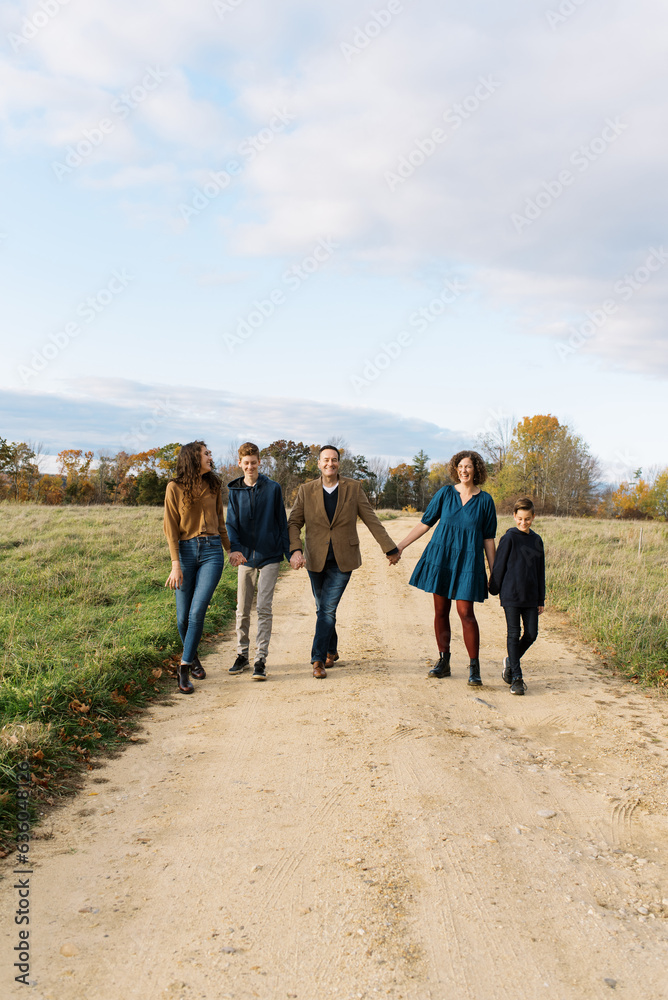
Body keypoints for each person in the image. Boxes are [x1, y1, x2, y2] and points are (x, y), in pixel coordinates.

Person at [288, 445, 400, 678]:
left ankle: (318, 659)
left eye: (334, 460)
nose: (330, 463)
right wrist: (295, 550)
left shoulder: (353, 488)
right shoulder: (306, 490)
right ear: (319, 464)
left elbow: (371, 519)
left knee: (327, 609)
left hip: (343, 560)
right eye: (326, 460)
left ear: (339, 463)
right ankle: (331, 649)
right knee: (323, 609)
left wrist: (389, 548)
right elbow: (294, 523)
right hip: (315, 559)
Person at [397, 450, 496, 685]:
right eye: (460, 467)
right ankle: (444, 661)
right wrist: (400, 546)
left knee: (466, 612)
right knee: (441, 611)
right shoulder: (445, 494)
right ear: (455, 469)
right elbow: (425, 524)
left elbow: (489, 539)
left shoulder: (485, 501)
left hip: (468, 562)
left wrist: (495, 572)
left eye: (468, 466)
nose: (464, 470)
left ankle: (474, 668)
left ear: (476, 469)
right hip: (442, 558)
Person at [164, 441, 230, 694]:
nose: (210, 456)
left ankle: (183, 667)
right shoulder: (174, 487)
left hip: (212, 552)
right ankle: (194, 658)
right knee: (182, 617)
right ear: (193, 458)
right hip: (185, 552)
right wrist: (175, 564)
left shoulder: (214, 485)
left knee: (196, 612)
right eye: (206, 453)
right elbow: (170, 528)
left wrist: (230, 549)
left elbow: (220, 521)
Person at [226, 442, 290, 681]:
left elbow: (281, 522)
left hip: (270, 556)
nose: (250, 467)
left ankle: (260, 659)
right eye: (246, 463)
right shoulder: (235, 491)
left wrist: (290, 552)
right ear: (240, 463)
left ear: (259, 462)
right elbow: (231, 524)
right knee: (242, 609)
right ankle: (242, 654)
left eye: (254, 462)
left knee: (264, 608)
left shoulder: (273, 488)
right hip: (245, 557)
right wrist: (235, 550)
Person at [488, 497, 545, 695]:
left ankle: (510, 661)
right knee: (513, 633)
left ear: (533, 517)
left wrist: (540, 599)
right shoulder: (509, 538)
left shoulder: (537, 540)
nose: (523, 522)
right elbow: (499, 566)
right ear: (514, 516)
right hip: (511, 594)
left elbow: (540, 571)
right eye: (520, 518)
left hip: (530, 596)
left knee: (531, 634)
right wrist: (494, 588)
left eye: (527, 519)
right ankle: (517, 678)